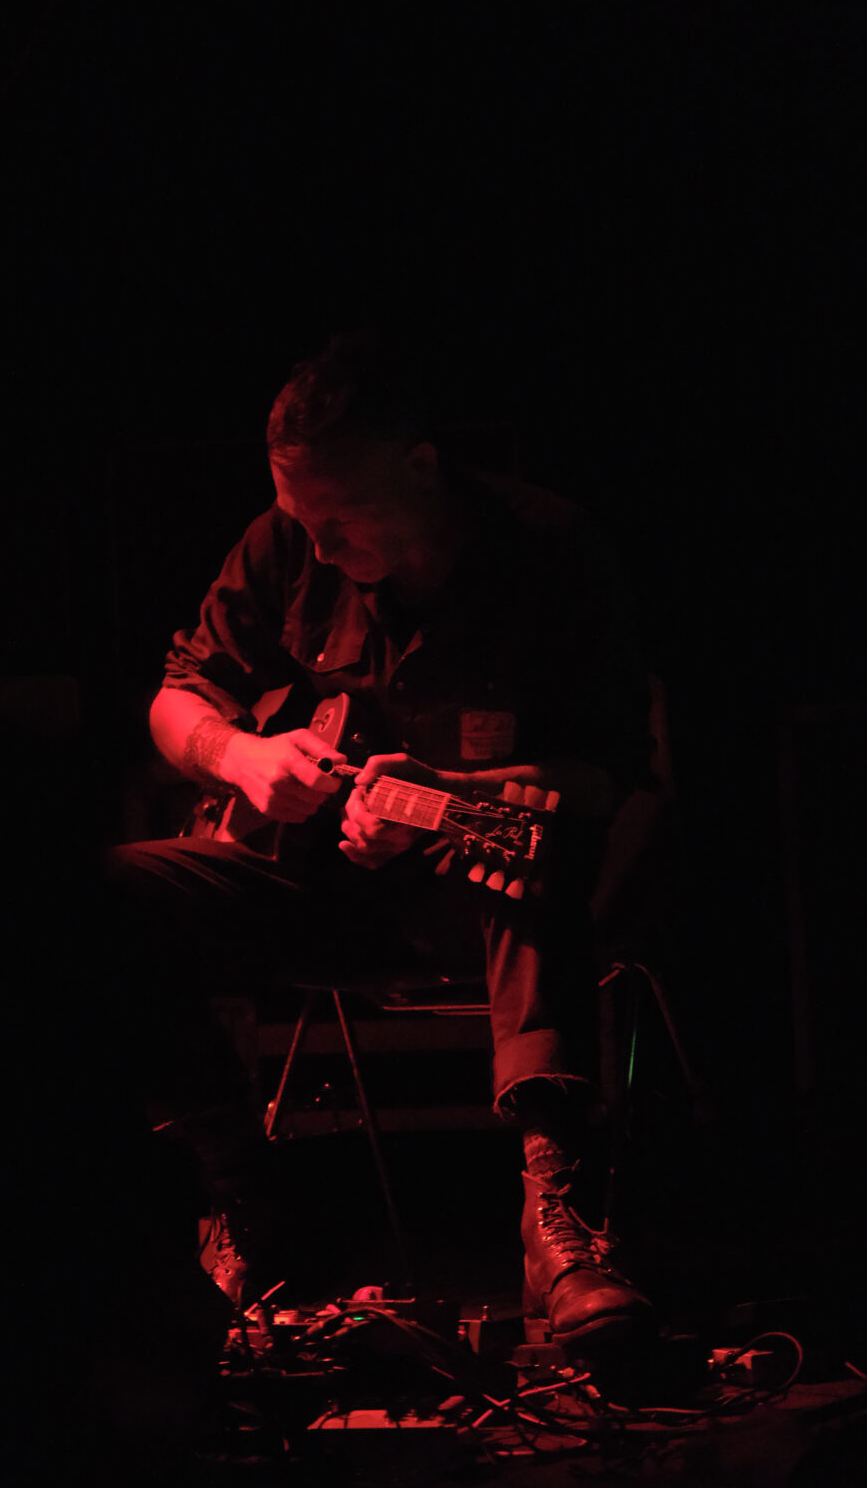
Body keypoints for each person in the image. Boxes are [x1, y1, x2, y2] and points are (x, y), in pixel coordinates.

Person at [104, 328, 656, 1355]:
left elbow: (607, 772)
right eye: (298, 517)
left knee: (536, 842)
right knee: (102, 898)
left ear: (419, 469)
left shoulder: (554, 552)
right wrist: (240, 759)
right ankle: (246, 1196)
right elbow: (177, 700)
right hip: (307, 892)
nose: (316, 546)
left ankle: (559, 1225)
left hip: (474, 898)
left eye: (340, 517)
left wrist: (450, 793)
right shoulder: (285, 543)